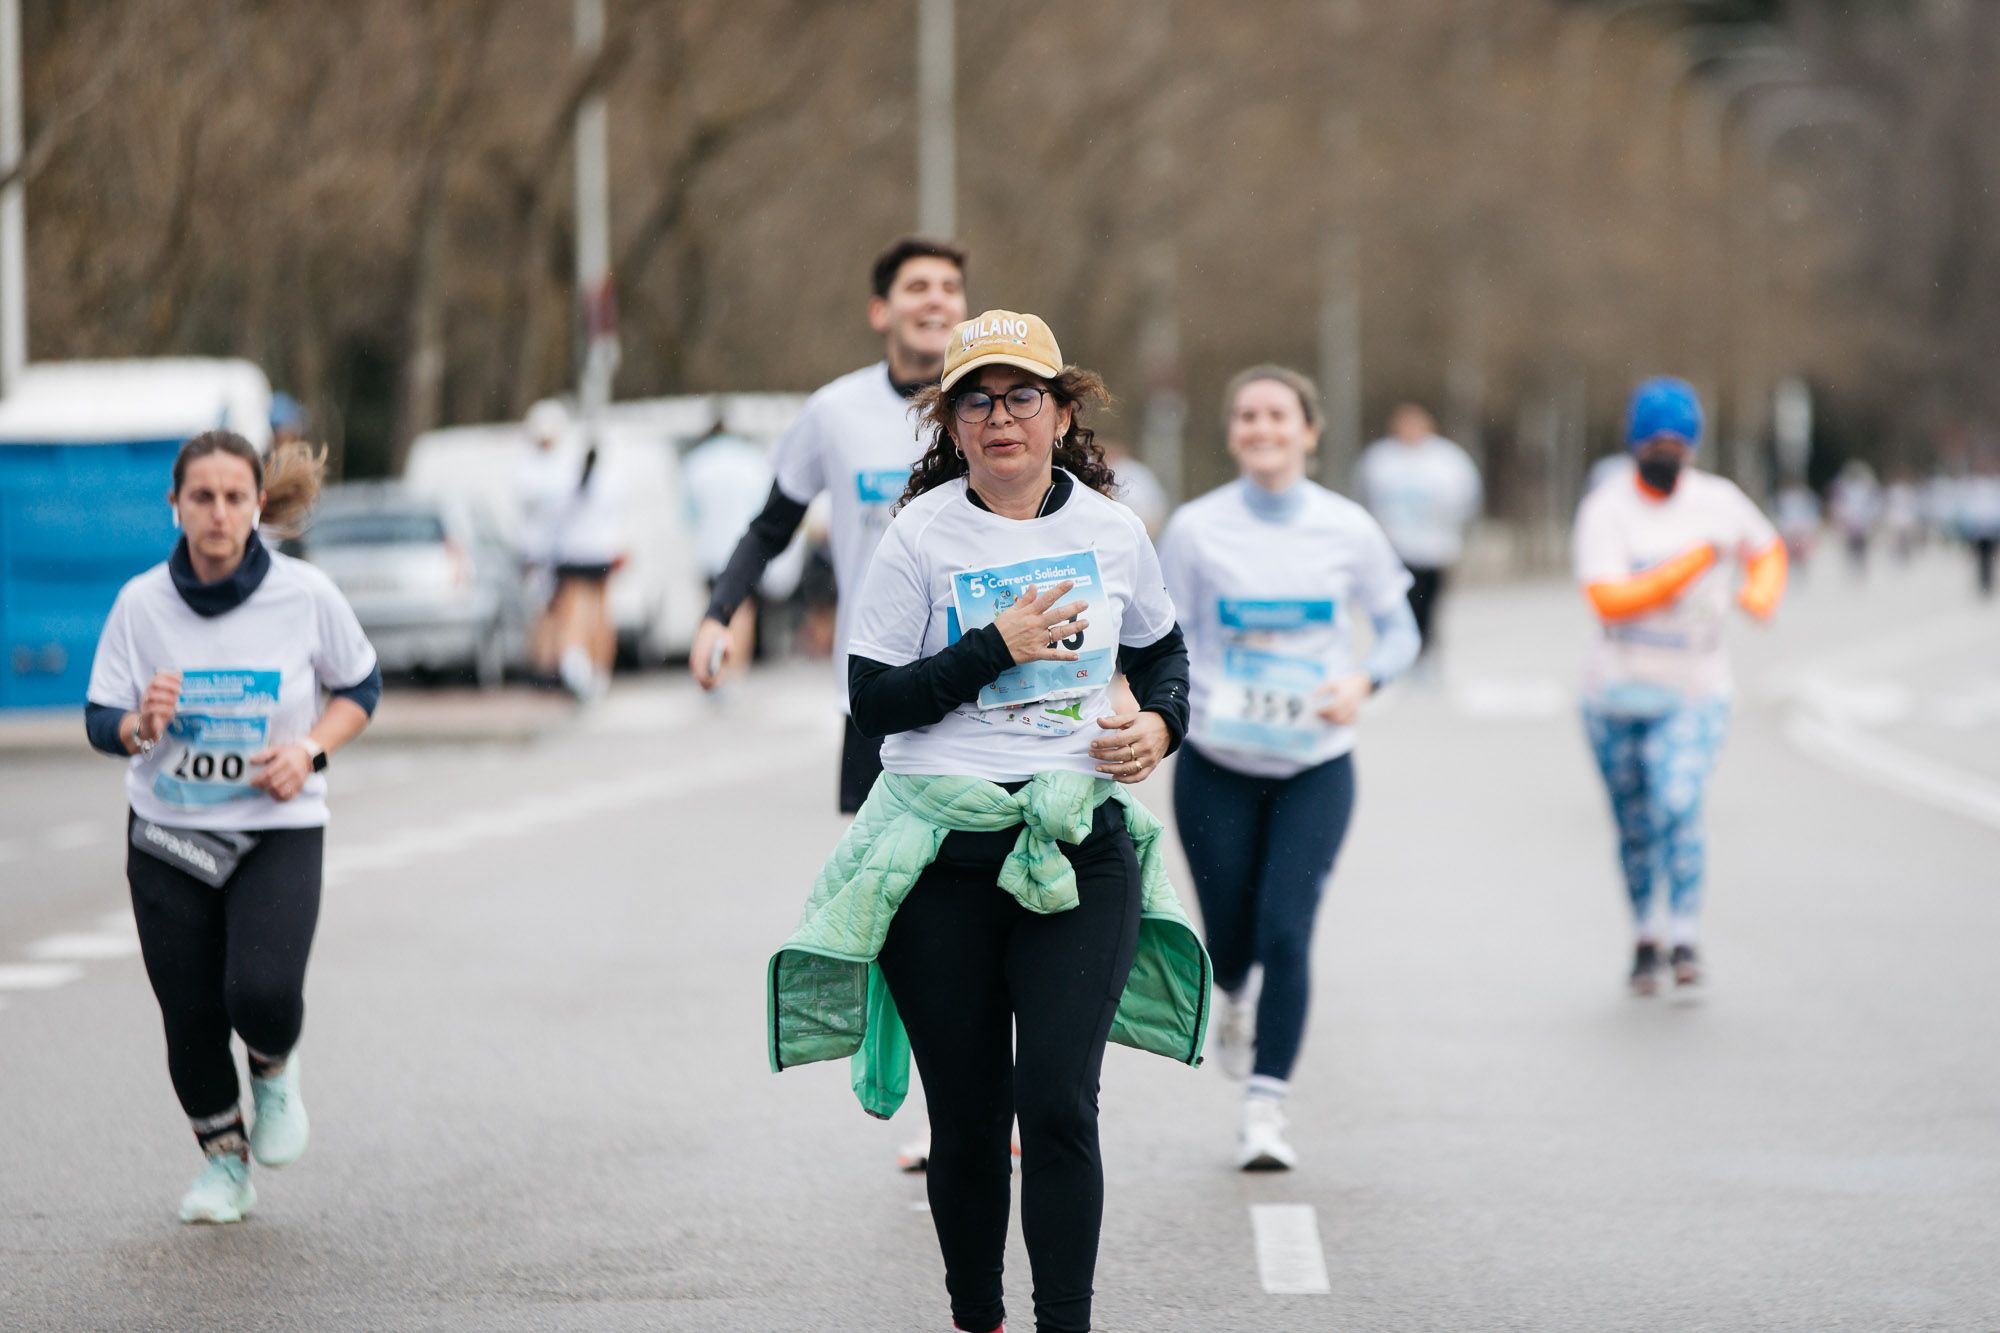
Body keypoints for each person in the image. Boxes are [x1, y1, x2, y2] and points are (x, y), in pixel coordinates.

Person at [766, 310, 1209, 1333]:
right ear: (951, 424)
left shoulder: (1110, 530)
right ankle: (980, 1316)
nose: (1000, 417)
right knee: (968, 1123)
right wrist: (991, 646)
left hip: (1075, 848)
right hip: (939, 861)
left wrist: (1158, 724)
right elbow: (873, 701)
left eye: (1021, 397)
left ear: (1061, 414)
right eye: (975, 401)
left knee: (1056, 1102)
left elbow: (1164, 655)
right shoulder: (919, 534)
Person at [83, 430, 380, 1224]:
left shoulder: (305, 593)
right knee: (191, 1016)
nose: (218, 512)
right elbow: (100, 716)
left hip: (275, 824)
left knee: (263, 992)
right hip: (168, 832)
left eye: (234, 497)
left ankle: (273, 1067)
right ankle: (224, 1165)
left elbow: (360, 686)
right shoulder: (141, 603)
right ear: (175, 504)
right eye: (203, 497)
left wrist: (309, 750)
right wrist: (142, 725)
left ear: (257, 505)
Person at [1159, 366, 1420, 1171]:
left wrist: (1364, 681)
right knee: (1230, 937)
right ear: (1232, 431)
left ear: (1309, 430)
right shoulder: (1196, 529)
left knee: (1287, 926)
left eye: (1278, 415)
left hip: (1316, 764)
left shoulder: (1348, 528)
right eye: (1247, 415)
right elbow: (1161, 636)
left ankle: (1265, 1108)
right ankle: (1234, 993)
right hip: (1216, 762)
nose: (1262, 427)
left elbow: (1401, 630)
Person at [689, 237, 969, 812]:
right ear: (880, 311)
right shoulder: (835, 411)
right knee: (877, 866)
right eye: (917, 287)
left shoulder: (993, 409)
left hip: (979, 691)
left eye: (949, 288)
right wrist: (719, 614)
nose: (935, 301)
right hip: (874, 688)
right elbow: (770, 528)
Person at [1572, 378, 1786, 995]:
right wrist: (1690, 565)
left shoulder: (1718, 502)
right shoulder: (1607, 508)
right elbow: (1609, 599)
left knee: (1678, 801)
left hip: (1695, 686)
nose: (1667, 454)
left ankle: (1685, 932)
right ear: (1635, 444)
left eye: (1678, 444)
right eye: (1655, 443)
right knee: (1634, 823)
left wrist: (1759, 592)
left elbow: (1767, 549)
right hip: (1615, 690)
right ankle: (1646, 934)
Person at [679, 424, 807, 686]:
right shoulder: (752, 460)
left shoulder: (695, 463)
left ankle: (712, 670)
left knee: (713, 610)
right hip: (744, 549)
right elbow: (765, 509)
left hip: (710, 548)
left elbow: (689, 514)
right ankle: (735, 673)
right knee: (743, 611)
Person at [1355, 403, 1481, 663]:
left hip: (1436, 548)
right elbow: (1366, 497)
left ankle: (1427, 650)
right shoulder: (1380, 459)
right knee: (1402, 602)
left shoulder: (1448, 459)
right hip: (1396, 548)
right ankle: (1404, 651)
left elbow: (1467, 497)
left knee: (1429, 603)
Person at [516, 398, 624, 700]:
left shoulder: (563, 473)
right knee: (600, 613)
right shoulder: (611, 475)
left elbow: (554, 512)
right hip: (600, 550)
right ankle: (597, 673)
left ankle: (577, 668)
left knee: (573, 613)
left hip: (574, 551)